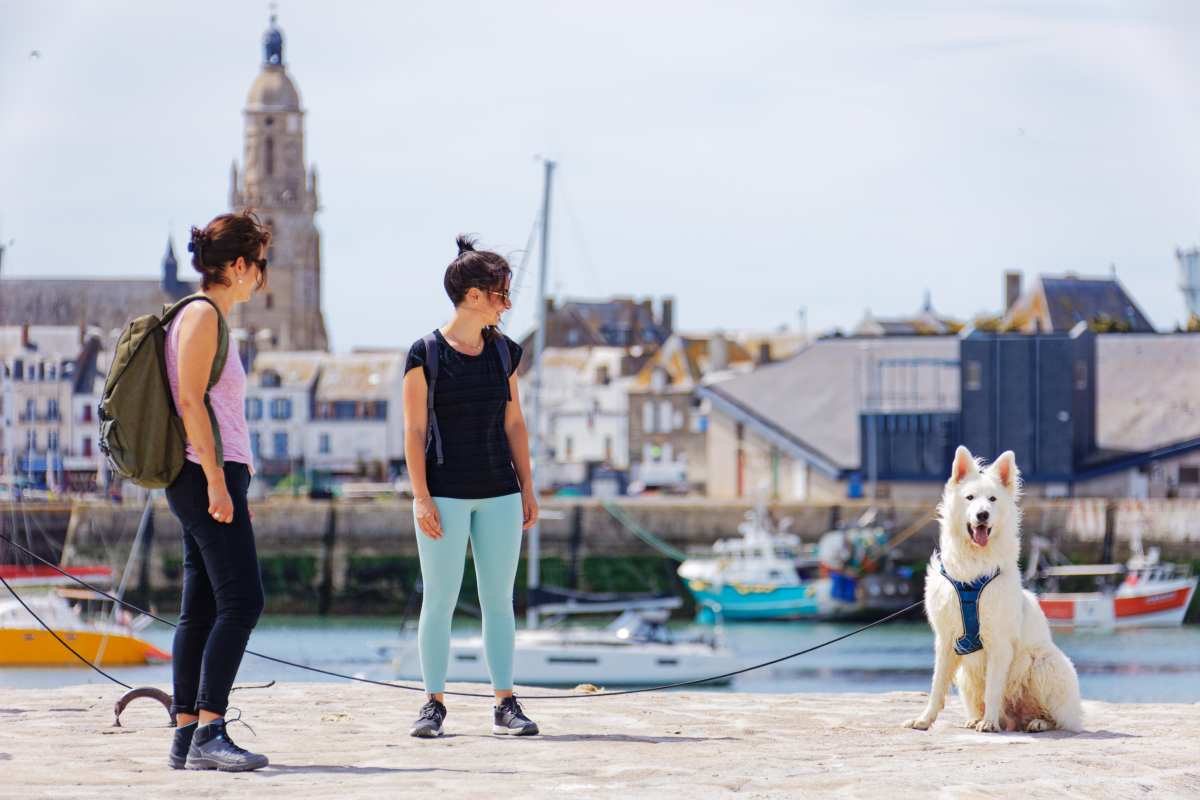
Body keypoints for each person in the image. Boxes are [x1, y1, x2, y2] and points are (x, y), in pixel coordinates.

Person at [402, 235, 540, 738]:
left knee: (498, 600)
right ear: (475, 295)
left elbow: (515, 424)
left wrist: (527, 486)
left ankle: (506, 703)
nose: (507, 303)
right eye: (502, 293)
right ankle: (433, 704)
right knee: (438, 600)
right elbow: (414, 431)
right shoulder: (426, 353)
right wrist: (420, 496)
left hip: (500, 492)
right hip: (443, 494)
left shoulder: (505, 351)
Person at [163, 211, 271, 771]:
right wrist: (214, 482)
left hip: (210, 472)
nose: (263, 275)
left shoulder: (204, 315)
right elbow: (190, 403)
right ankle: (210, 730)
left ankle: (186, 733)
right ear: (236, 265)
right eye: (259, 264)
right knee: (243, 600)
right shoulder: (203, 316)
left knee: (200, 607)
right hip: (207, 472)